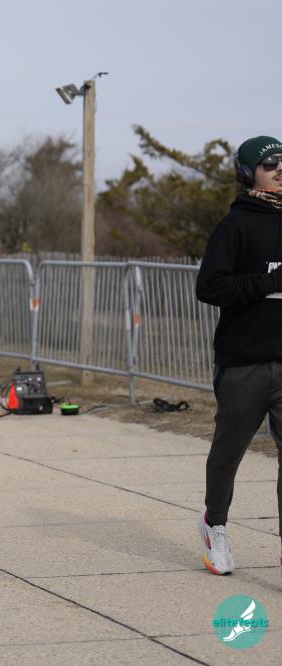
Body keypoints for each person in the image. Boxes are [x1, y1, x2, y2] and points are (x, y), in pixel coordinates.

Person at [195, 135, 282, 581]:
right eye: (270, 163)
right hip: (243, 361)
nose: (280, 169)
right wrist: (269, 283)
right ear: (248, 173)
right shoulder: (235, 226)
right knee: (228, 453)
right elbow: (209, 287)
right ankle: (215, 525)